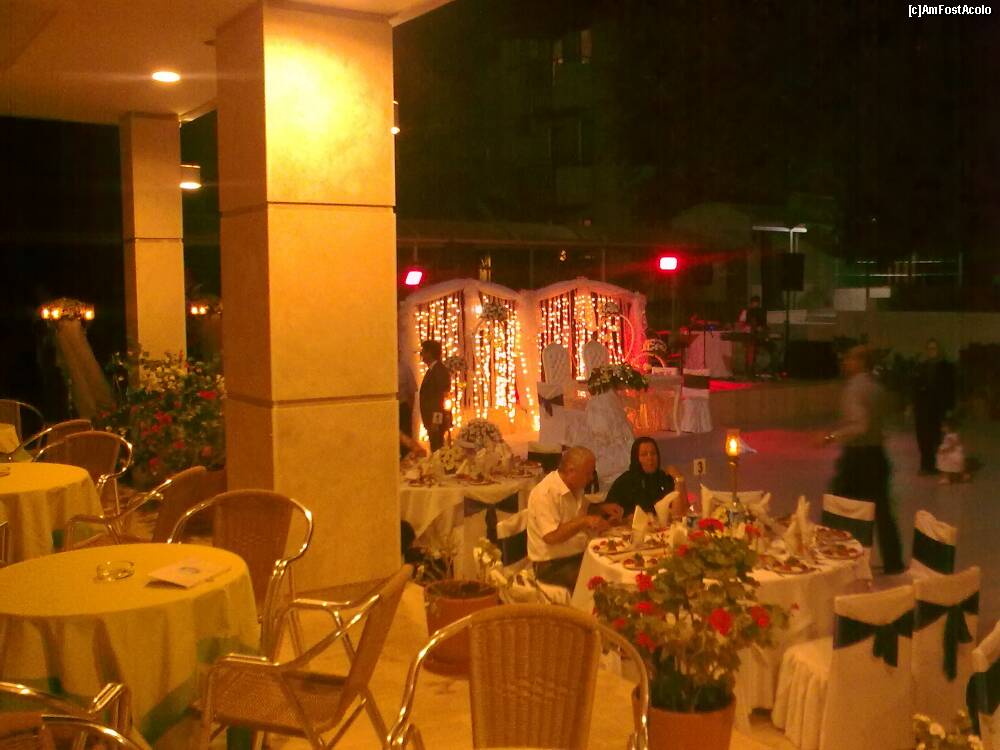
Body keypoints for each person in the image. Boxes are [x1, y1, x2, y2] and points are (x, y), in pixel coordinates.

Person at [822, 345, 904, 574]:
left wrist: (829, 437)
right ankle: (893, 562)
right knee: (882, 511)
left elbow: (859, 426)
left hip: (858, 459)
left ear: (860, 363)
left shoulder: (854, 389)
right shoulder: (876, 387)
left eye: (849, 358)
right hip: (877, 455)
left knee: (839, 508)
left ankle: (836, 561)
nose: (845, 362)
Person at [527, 446, 624, 591]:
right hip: (551, 566)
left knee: (616, 567)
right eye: (588, 473)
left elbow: (584, 509)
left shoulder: (575, 487)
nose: (591, 478)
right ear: (571, 471)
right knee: (604, 582)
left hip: (576, 556)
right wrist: (584, 521)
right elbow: (551, 537)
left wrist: (602, 508)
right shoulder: (545, 493)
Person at [604, 437, 685, 519]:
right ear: (636, 458)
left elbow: (680, 514)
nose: (650, 458)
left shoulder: (664, 478)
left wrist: (678, 479)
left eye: (653, 453)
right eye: (644, 455)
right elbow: (608, 514)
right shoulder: (625, 482)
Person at [912, 338, 956, 475]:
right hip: (923, 409)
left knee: (937, 438)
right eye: (929, 348)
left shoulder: (947, 368)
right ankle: (926, 465)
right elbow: (915, 388)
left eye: (934, 348)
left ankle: (940, 465)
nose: (932, 351)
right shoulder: (921, 367)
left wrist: (950, 408)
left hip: (939, 408)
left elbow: (951, 389)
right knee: (923, 438)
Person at [418, 340, 451, 452]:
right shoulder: (432, 370)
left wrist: (436, 421)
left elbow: (441, 397)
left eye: (423, 351)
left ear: (430, 353)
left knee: (438, 450)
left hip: (436, 420)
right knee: (435, 448)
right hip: (431, 418)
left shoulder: (439, 370)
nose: (421, 354)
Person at [738, 295, 768, 379]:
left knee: (754, 352)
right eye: (755, 303)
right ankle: (749, 370)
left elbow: (763, 323)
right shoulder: (746, 311)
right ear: (751, 303)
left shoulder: (760, 312)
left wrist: (761, 327)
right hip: (748, 334)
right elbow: (741, 324)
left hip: (757, 334)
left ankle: (753, 369)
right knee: (750, 352)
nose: (756, 304)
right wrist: (749, 326)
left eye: (757, 303)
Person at [936, 417, 970, 484]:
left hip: (951, 454)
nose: (942, 428)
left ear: (949, 427)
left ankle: (946, 478)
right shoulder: (955, 435)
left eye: (944, 427)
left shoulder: (949, 436)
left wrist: (943, 450)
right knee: (958, 466)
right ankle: (964, 475)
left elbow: (951, 445)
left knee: (946, 466)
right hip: (956, 453)